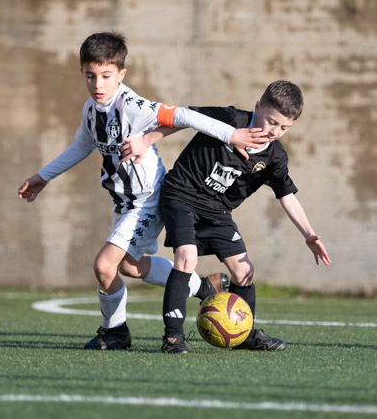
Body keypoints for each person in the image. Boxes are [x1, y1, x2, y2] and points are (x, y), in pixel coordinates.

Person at [18, 32, 270, 351]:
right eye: (90, 75)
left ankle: (115, 332)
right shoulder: (91, 110)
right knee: (128, 267)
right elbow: (81, 146)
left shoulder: (132, 106)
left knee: (104, 266)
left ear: (121, 74)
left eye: (106, 76)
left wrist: (231, 135)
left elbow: (184, 115)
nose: (98, 84)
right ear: (82, 72)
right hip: (124, 203)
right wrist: (43, 176)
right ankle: (202, 286)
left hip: (148, 200)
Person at [130, 80, 330, 353]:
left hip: (218, 211)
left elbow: (287, 195)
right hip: (181, 195)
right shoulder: (229, 119)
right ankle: (173, 337)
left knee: (244, 271)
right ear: (258, 107)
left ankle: (245, 335)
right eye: (272, 122)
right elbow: (183, 117)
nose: (275, 131)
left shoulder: (274, 156)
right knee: (187, 257)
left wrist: (309, 234)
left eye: (284, 128)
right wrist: (146, 140)